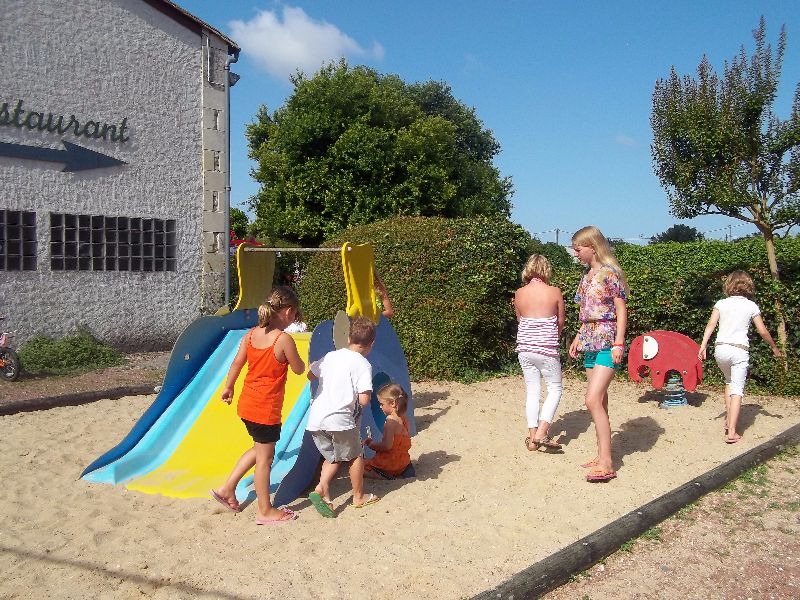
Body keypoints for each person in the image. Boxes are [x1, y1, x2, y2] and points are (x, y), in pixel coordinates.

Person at [211, 286, 306, 525]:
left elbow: (236, 363)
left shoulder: (251, 334)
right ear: (288, 311)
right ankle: (265, 510)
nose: (295, 319)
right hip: (265, 409)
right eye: (295, 315)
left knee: (258, 450)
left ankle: (227, 488)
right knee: (265, 459)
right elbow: (298, 369)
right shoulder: (283, 339)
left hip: (247, 405)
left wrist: (228, 387)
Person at [567, 226, 629, 483]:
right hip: (590, 339)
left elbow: (621, 309)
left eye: (578, 248)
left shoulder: (610, 274)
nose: (575, 253)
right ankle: (602, 455)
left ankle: (607, 463)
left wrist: (619, 343)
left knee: (591, 399)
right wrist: (578, 336)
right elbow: (586, 311)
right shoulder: (586, 276)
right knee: (600, 401)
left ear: (592, 246)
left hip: (606, 339)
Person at [306, 316, 380, 518]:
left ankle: (323, 492)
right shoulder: (363, 364)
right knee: (355, 455)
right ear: (371, 344)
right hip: (340, 419)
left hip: (316, 419)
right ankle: (359, 496)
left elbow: (310, 374)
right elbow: (364, 400)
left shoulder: (331, 356)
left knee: (333, 456)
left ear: (348, 338)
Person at [698, 270, 781, 444]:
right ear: (748, 286)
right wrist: (774, 346)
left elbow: (711, 325)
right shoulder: (751, 306)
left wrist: (703, 345)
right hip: (739, 350)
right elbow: (763, 331)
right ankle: (732, 432)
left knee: (728, 382)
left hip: (720, 350)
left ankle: (728, 422)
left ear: (729, 285)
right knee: (737, 390)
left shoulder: (721, 303)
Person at [514, 254, 565, 451]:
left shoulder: (519, 293)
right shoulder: (554, 291)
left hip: (525, 349)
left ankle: (532, 436)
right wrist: (554, 336)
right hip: (546, 348)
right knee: (555, 388)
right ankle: (543, 433)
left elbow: (520, 320)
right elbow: (560, 322)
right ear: (546, 269)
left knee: (532, 391)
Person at [363, 383, 413, 479]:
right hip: (404, 462)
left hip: (389, 464)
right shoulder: (404, 419)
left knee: (358, 465)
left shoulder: (390, 421)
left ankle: (379, 475)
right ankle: (406, 472)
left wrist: (372, 445)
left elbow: (387, 446)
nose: (380, 407)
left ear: (393, 403)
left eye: (382, 404)